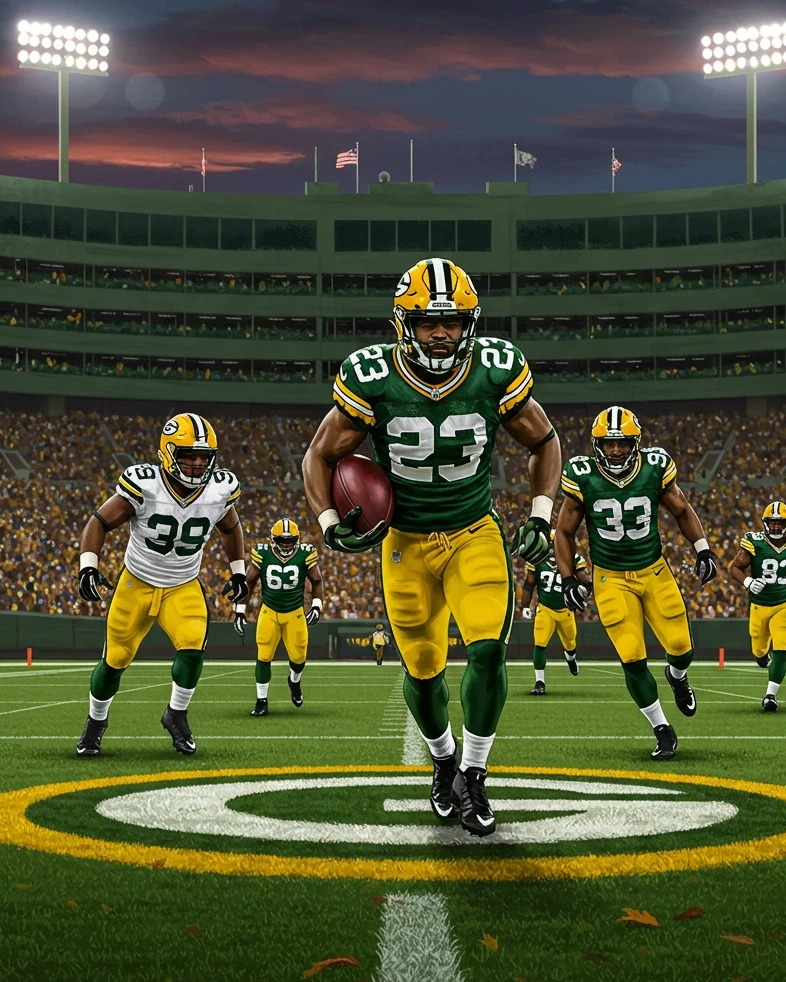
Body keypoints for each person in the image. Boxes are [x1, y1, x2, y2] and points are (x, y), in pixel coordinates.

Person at [303, 257, 561, 836]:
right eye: (428, 322)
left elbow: (545, 441)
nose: (442, 333)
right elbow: (318, 453)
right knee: (424, 674)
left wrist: (542, 516)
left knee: (489, 651)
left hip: (474, 532)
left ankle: (473, 773)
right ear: (404, 323)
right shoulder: (372, 376)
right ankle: (442, 758)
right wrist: (327, 521)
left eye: (452, 321)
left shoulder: (495, 369)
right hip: (405, 543)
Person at [75, 413, 246, 757]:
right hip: (136, 582)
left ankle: (176, 714)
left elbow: (230, 527)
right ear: (168, 453)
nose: (198, 464)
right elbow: (99, 521)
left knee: (193, 648)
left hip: (182, 584)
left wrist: (239, 571)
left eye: (204, 457)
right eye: (188, 455)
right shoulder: (145, 485)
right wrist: (87, 567)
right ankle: (96, 722)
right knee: (115, 661)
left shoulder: (219, 490)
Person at [555, 406, 718, 760]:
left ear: (636, 443)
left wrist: (703, 550)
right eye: (609, 444)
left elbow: (682, 509)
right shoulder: (582, 474)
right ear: (597, 444)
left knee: (682, 648)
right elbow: (564, 531)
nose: (615, 451)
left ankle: (676, 676)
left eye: (623, 443)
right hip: (610, 578)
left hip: (654, 571)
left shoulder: (655, 466)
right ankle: (661, 728)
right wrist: (568, 577)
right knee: (631, 657)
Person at [728, 501, 786, 712]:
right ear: (765, 523)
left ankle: (770, 696)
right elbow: (735, 568)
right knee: (759, 652)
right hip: (759, 606)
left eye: (779, 522)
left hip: (784, 604)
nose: (775, 526)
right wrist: (748, 582)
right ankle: (761, 657)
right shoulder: (754, 541)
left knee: (781, 651)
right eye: (772, 522)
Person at [240, 518, 323, 716]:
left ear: (297, 539)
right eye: (282, 540)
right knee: (263, 656)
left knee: (298, 657)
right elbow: (249, 582)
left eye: (290, 540)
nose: (286, 544)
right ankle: (261, 701)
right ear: (273, 539)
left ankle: (294, 681)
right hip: (269, 612)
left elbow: (317, 580)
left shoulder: (306, 554)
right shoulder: (261, 553)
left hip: (295, 613)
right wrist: (240, 609)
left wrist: (317, 606)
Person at [520, 533, 590, 694]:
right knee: (540, 643)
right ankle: (539, 682)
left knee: (571, 645)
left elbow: (585, 581)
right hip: (545, 609)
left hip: (565, 610)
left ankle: (571, 659)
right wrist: (525, 606)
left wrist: (585, 590)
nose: (553, 548)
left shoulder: (573, 560)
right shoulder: (537, 561)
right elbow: (528, 585)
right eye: (551, 544)